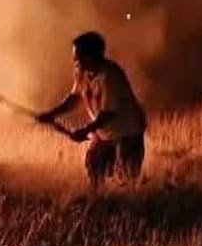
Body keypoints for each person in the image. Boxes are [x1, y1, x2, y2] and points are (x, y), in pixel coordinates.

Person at [37, 31, 148, 189]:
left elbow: (108, 114)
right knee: (94, 166)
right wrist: (51, 114)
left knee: (127, 178)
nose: (74, 60)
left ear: (92, 56)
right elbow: (74, 98)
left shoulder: (111, 75)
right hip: (104, 133)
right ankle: (99, 200)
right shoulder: (81, 72)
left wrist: (85, 130)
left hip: (128, 132)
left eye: (78, 56)